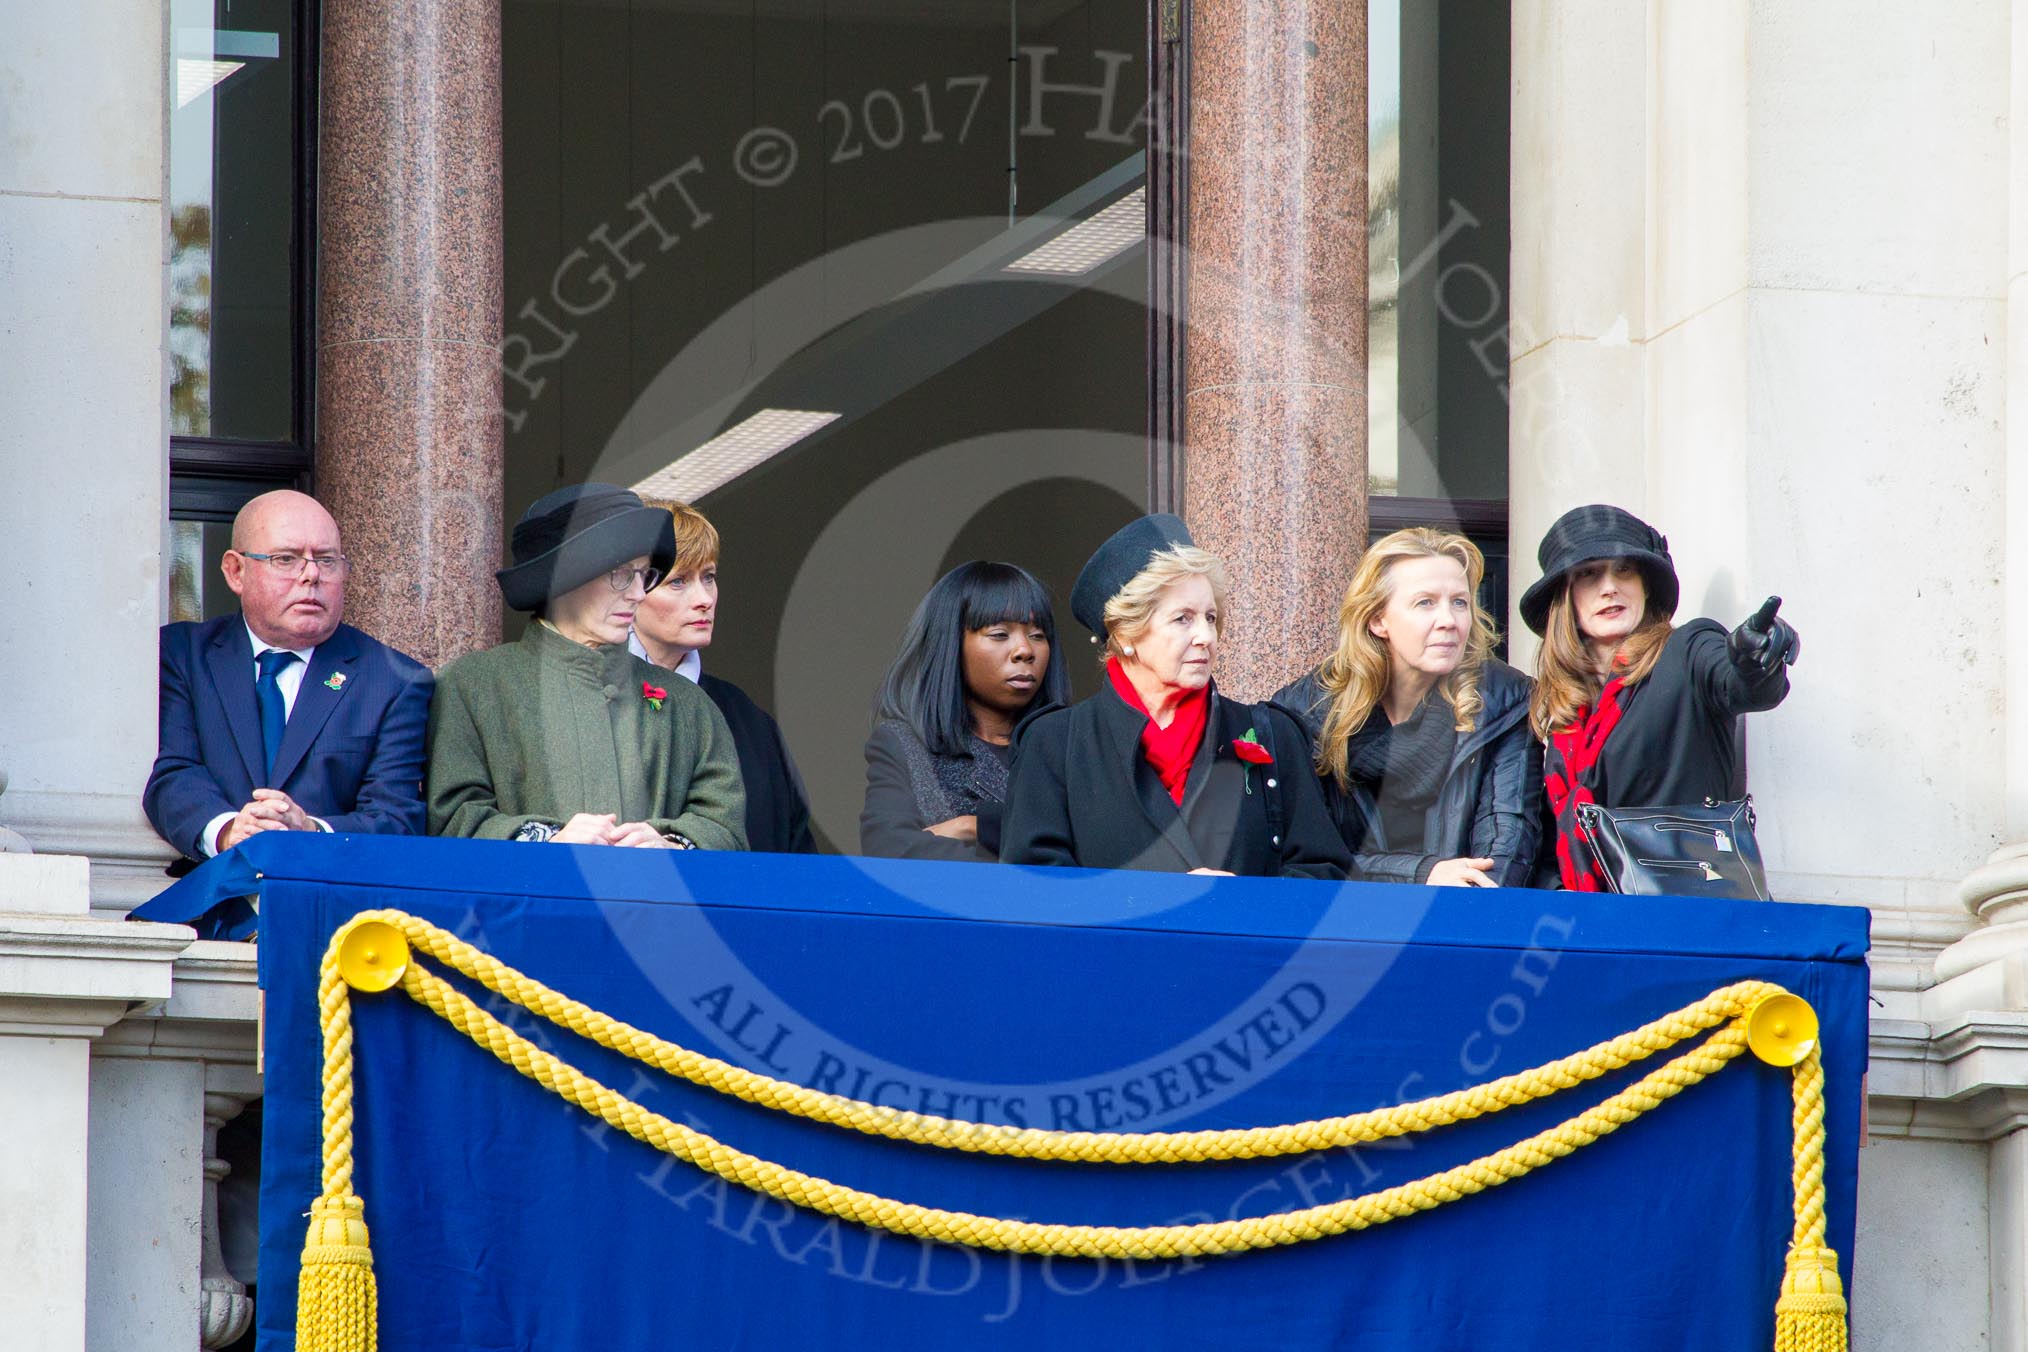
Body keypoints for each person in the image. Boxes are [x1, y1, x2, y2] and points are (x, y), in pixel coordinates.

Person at [1000, 515, 1349, 879]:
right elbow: (1033, 890)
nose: (1206, 637)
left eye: (1210, 618)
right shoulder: (1055, 744)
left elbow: (1324, 874)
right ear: (1125, 636)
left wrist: (1242, 902)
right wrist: (1161, 901)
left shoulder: (1274, 735)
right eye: (1183, 618)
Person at [428, 484, 746, 849]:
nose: (638, 593)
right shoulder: (473, 685)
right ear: (563, 578)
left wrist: (672, 845)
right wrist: (547, 840)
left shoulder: (689, 703)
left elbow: (726, 828)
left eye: (644, 575)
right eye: (622, 574)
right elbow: (450, 818)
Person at [144, 489, 433, 868]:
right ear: (236, 571)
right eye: (286, 559)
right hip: (205, 904)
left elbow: (396, 819)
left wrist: (309, 833)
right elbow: (173, 772)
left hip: (330, 906)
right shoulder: (180, 654)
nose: (311, 574)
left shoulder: (395, 681)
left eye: (327, 561)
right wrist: (229, 830)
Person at [1520, 504, 1800, 891]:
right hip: (1591, 924)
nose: (1609, 587)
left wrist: (1754, 660)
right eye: (1588, 574)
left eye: (1624, 570)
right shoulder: (1560, 714)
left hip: (1688, 916)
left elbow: (1738, 683)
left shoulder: (1687, 649)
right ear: (1565, 599)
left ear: (1645, 585)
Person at [1274, 528, 1542, 888]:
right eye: (1425, 603)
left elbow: (1505, 847)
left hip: (1463, 921)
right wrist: (1420, 873)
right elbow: (1308, 858)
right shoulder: (1306, 712)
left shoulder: (1504, 700)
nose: (1449, 620)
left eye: (1460, 602)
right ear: (1377, 619)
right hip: (1345, 925)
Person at [630, 498, 815, 854]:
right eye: (678, 581)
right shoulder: (582, 701)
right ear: (626, 589)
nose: (704, 599)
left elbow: (796, 859)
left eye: (709, 577)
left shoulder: (751, 722)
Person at [859, 562, 1070, 862]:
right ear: (950, 645)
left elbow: (1098, 845)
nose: (1025, 650)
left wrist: (974, 826)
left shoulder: (1074, 746)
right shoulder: (905, 745)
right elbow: (891, 850)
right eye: (999, 634)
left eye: (1038, 635)